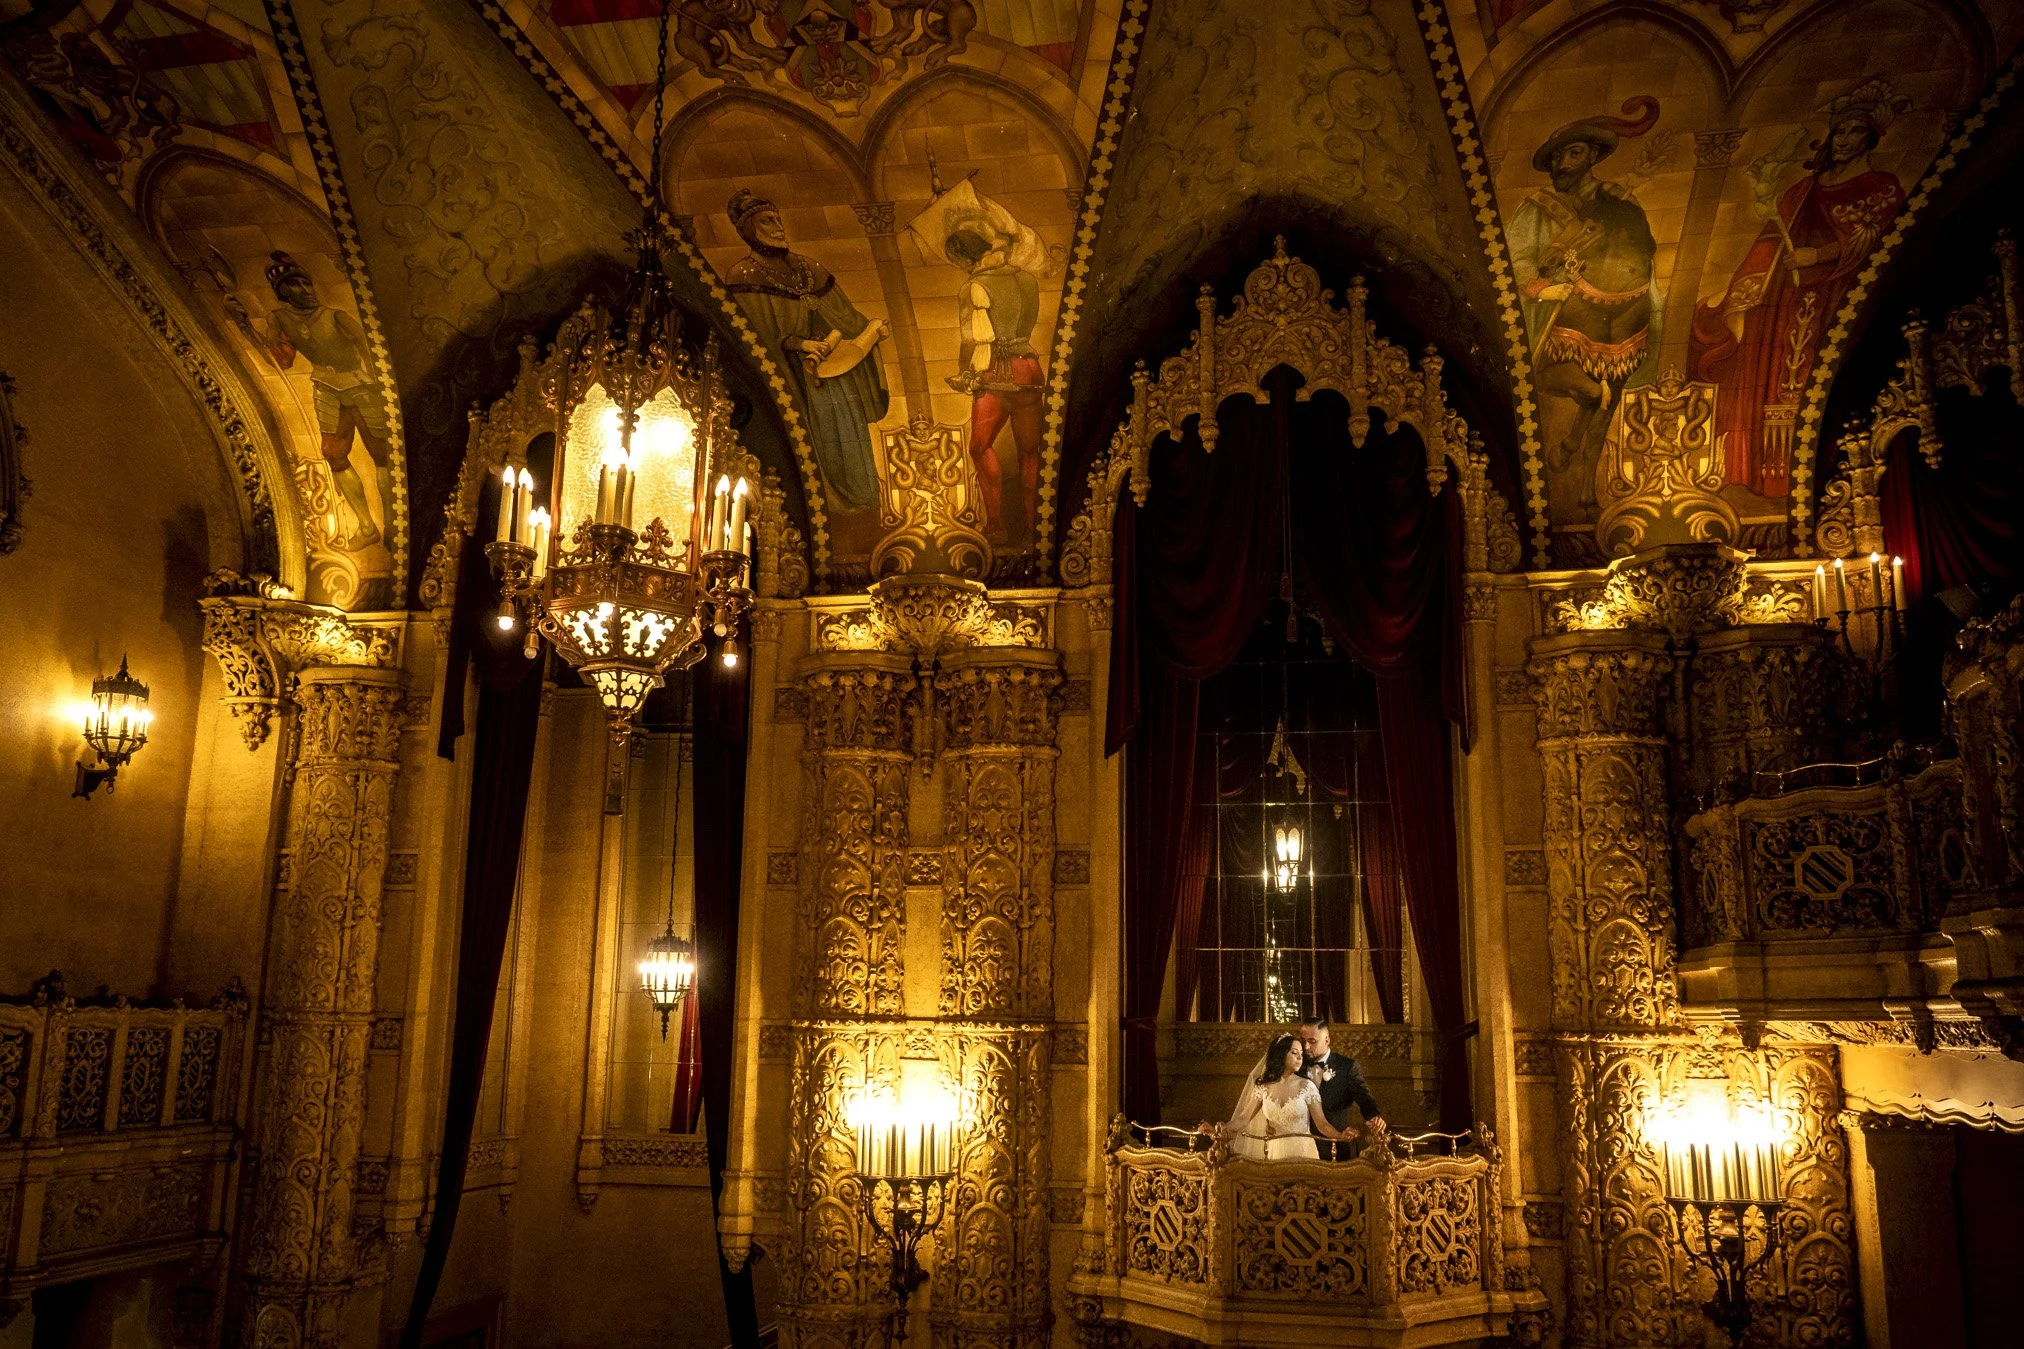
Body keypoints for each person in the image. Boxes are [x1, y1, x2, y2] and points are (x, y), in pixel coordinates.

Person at [1688, 80, 1909, 499]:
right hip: (1784, 299)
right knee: (1767, 378)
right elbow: (1770, 239)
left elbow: (1873, 238)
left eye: (1855, 131)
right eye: (1839, 131)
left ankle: (1816, 475)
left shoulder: (1881, 186)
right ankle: (1759, 475)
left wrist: (1818, 255)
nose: (1844, 140)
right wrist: (1737, 293)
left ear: (1871, 137)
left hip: (1834, 297)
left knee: (1810, 381)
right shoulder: (1804, 188)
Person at [1507, 97, 1662, 516]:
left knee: (1655, 310)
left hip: (1613, 304)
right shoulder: (1536, 209)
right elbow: (1515, 258)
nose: (1564, 163)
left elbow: (1640, 250)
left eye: (1573, 153)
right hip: (1553, 300)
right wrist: (1538, 288)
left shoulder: (1619, 202)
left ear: (1592, 155)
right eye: (1558, 156)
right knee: (1527, 347)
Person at [723, 188, 889, 514]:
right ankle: (824, 507)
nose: (778, 226)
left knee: (850, 432)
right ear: (749, 230)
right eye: (767, 221)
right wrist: (799, 344)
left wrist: (869, 331)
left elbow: (843, 316)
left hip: (833, 371)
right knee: (819, 436)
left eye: (777, 219)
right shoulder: (744, 276)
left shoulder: (809, 268)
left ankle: (863, 501)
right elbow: (756, 340)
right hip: (794, 380)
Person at [226, 252, 394, 549]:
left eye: (307, 283)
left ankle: (394, 521)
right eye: (297, 286)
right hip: (326, 389)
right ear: (284, 292)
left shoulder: (335, 316)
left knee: (381, 453)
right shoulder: (281, 319)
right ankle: (367, 527)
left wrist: (379, 384)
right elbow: (281, 360)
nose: (306, 290)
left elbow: (370, 350)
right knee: (333, 453)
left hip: (359, 385)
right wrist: (246, 328)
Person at [1215, 1034, 1352, 1160]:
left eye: (1301, 1054)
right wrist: (1222, 1128)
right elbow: (1243, 1119)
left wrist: (1341, 1136)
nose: (1300, 1057)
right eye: (1294, 1053)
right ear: (1281, 1055)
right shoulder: (1263, 1087)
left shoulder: (1307, 1086)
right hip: (1274, 1152)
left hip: (1303, 1152)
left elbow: (1322, 1124)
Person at [1298, 1016, 1386, 1138]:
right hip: (1301, 1140)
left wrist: (1374, 1117)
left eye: (1312, 1041)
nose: (1306, 1046)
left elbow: (1364, 1098)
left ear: (1327, 1040)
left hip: (1337, 1140)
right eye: (1303, 1041)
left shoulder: (1347, 1067)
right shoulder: (1296, 1065)